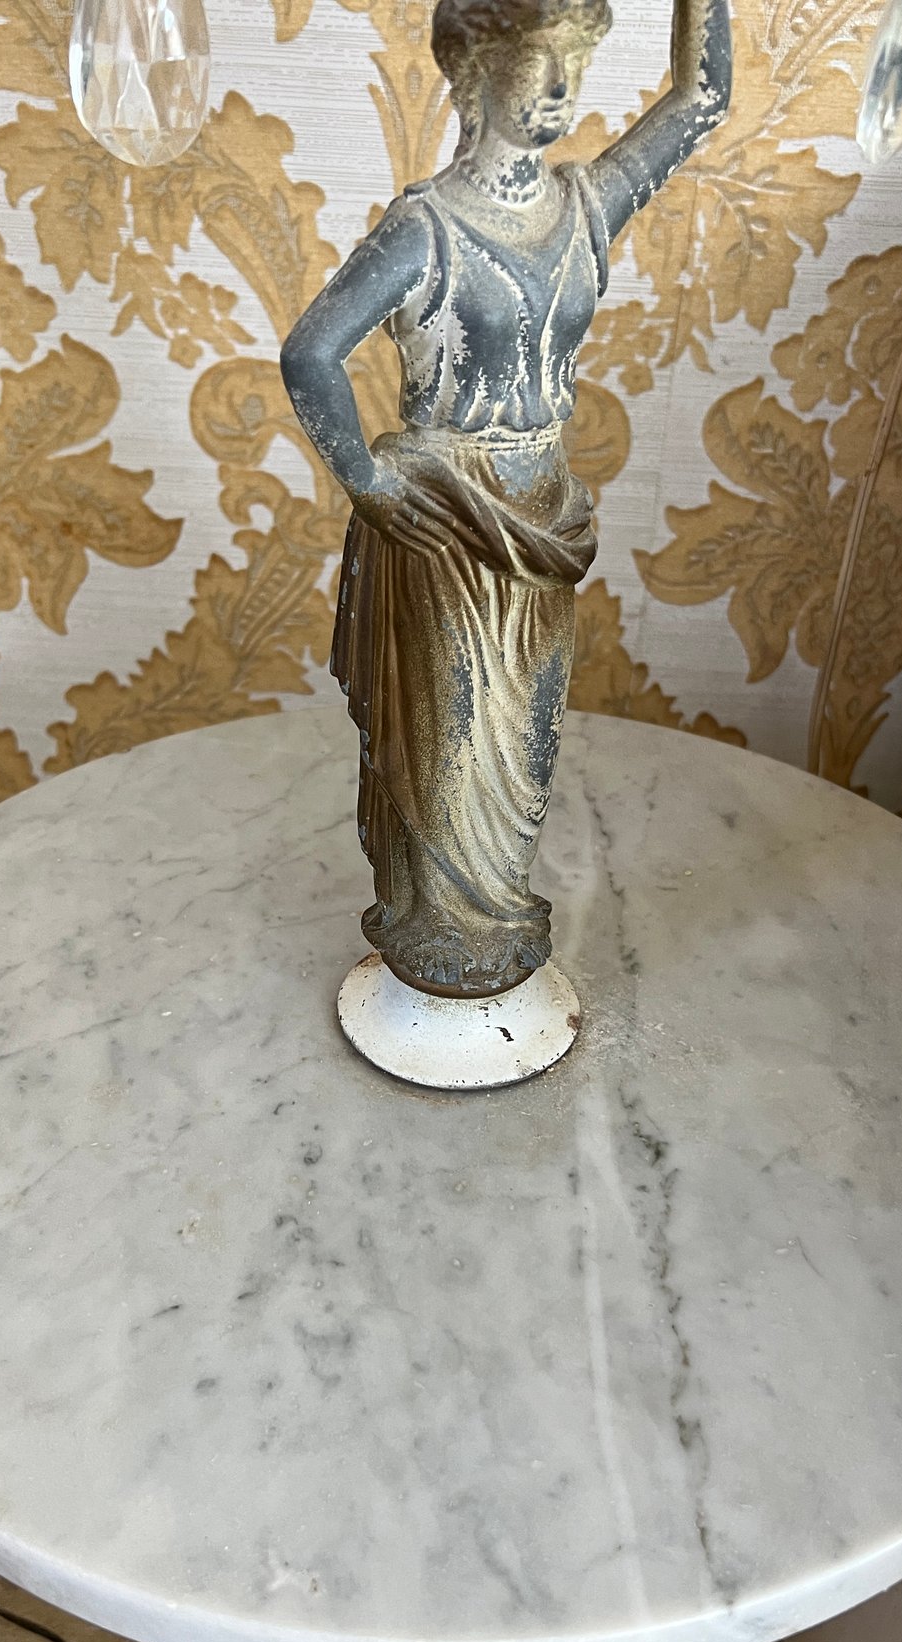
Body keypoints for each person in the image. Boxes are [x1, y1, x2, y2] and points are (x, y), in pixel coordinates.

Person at [281, 0, 732, 999]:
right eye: (537, 67)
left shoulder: (585, 204)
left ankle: (488, 932)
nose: (561, 90)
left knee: (526, 744)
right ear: (474, 78)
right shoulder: (424, 228)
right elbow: (310, 352)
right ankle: (439, 944)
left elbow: (702, 101)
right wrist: (367, 479)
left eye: (573, 66)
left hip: (542, 507)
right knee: (449, 755)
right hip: (449, 514)